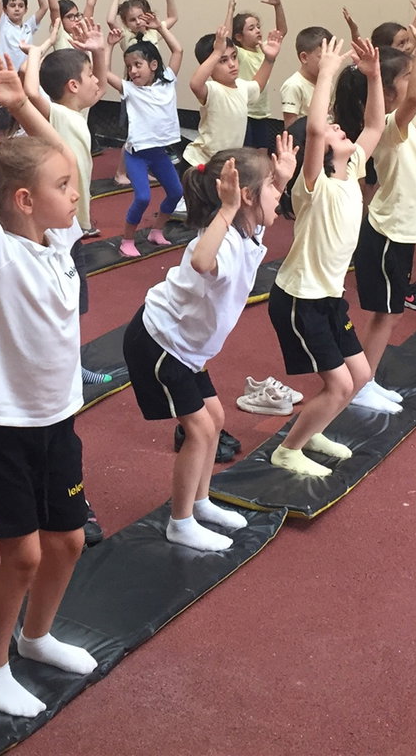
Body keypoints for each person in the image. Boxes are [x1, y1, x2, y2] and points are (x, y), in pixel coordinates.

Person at [0, 42, 96, 718]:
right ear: (27, 200)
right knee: (24, 557)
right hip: (1, 428)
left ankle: (36, 637)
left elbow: (62, 155)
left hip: (57, 420)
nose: (76, 192)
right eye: (64, 188)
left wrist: (23, 106)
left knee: (69, 541)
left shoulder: (58, 241)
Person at [121, 141, 294, 551]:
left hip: (187, 349)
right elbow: (201, 261)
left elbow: (258, 206)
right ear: (245, 197)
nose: (278, 195)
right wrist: (228, 208)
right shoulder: (225, 239)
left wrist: (282, 177)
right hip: (160, 343)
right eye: (272, 187)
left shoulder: (249, 228)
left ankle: (200, 502)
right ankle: (180, 522)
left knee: (214, 418)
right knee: (199, 429)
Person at [266, 36, 385, 474]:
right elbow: (314, 130)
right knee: (338, 385)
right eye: (334, 130)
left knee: (361, 376)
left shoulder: (350, 171)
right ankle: (288, 450)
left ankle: (314, 428)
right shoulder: (312, 187)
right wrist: (328, 74)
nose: (339, 129)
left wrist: (373, 77)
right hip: (301, 299)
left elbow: (375, 125)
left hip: (329, 297)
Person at [350, 3, 416, 409]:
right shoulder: (389, 127)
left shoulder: (404, 121)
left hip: (399, 231)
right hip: (386, 233)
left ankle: (366, 378)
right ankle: (360, 386)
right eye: (408, 77)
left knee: (391, 313)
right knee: (386, 314)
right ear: (388, 92)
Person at [25, 21, 107, 282]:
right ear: (73, 85)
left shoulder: (79, 112)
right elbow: (30, 92)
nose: (96, 80)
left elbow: (102, 87)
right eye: (90, 75)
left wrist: (99, 52)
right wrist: (36, 53)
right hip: (57, 217)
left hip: (73, 215)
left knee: (73, 279)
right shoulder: (57, 113)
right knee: (62, 276)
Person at [100, 17, 184, 259]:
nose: (133, 71)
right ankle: (127, 240)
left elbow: (178, 50)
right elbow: (103, 73)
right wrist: (109, 46)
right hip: (136, 155)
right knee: (143, 197)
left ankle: (156, 231)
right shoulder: (130, 90)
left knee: (176, 192)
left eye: (138, 65)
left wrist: (161, 28)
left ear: (154, 65)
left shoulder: (168, 82)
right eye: (129, 67)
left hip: (158, 153)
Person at [186, 6, 281, 170]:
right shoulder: (212, 89)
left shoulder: (242, 86)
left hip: (225, 163)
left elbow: (258, 85)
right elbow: (195, 84)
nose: (232, 64)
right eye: (223, 60)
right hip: (200, 163)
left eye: (234, 57)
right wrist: (217, 52)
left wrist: (269, 59)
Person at [231, 0, 288, 148]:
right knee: (246, 153)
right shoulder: (239, 53)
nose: (257, 30)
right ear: (239, 37)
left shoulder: (264, 49)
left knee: (262, 152)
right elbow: (225, 40)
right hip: (245, 112)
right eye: (251, 28)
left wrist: (278, 6)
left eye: (258, 27)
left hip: (261, 112)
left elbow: (282, 31)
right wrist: (230, 11)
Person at [279, 25, 333, 128]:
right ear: (304, 57)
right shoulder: (293, 86)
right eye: (323, 57)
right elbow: (291, 127)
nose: (328, 62)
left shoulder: (327, 83)